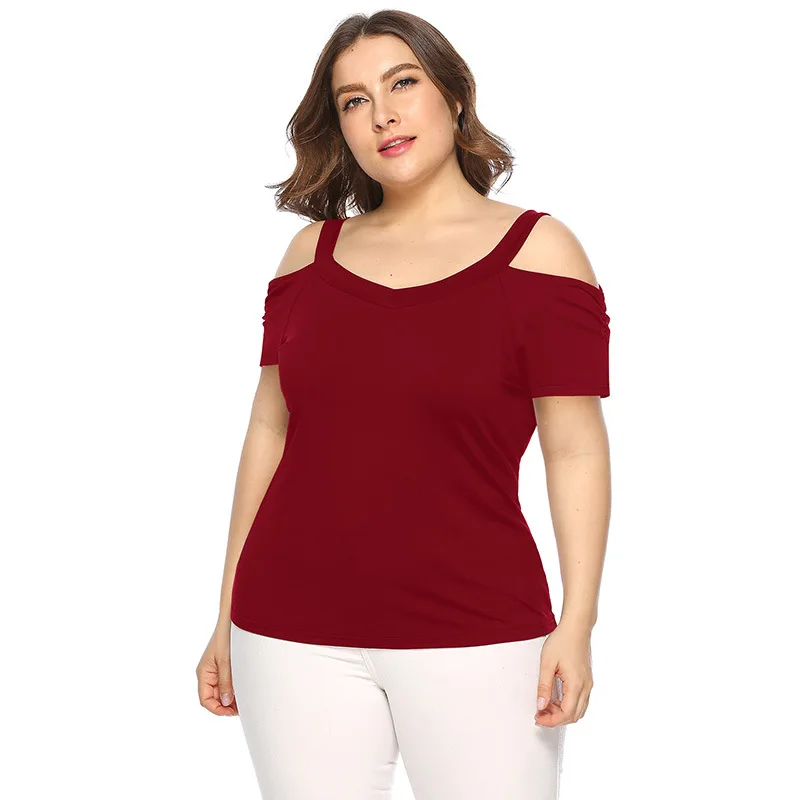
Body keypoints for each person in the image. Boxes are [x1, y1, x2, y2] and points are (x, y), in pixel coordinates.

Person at [196, 9, 611, 799]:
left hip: (479, 632)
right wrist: (224, 616)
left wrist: (578, 621)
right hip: (286, 632)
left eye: (403, 83)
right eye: (354, 100)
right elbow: (268, 432)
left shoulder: (541, 253)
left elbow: (575, 449)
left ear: (454, 95)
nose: (381, 114)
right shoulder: (307, 258)